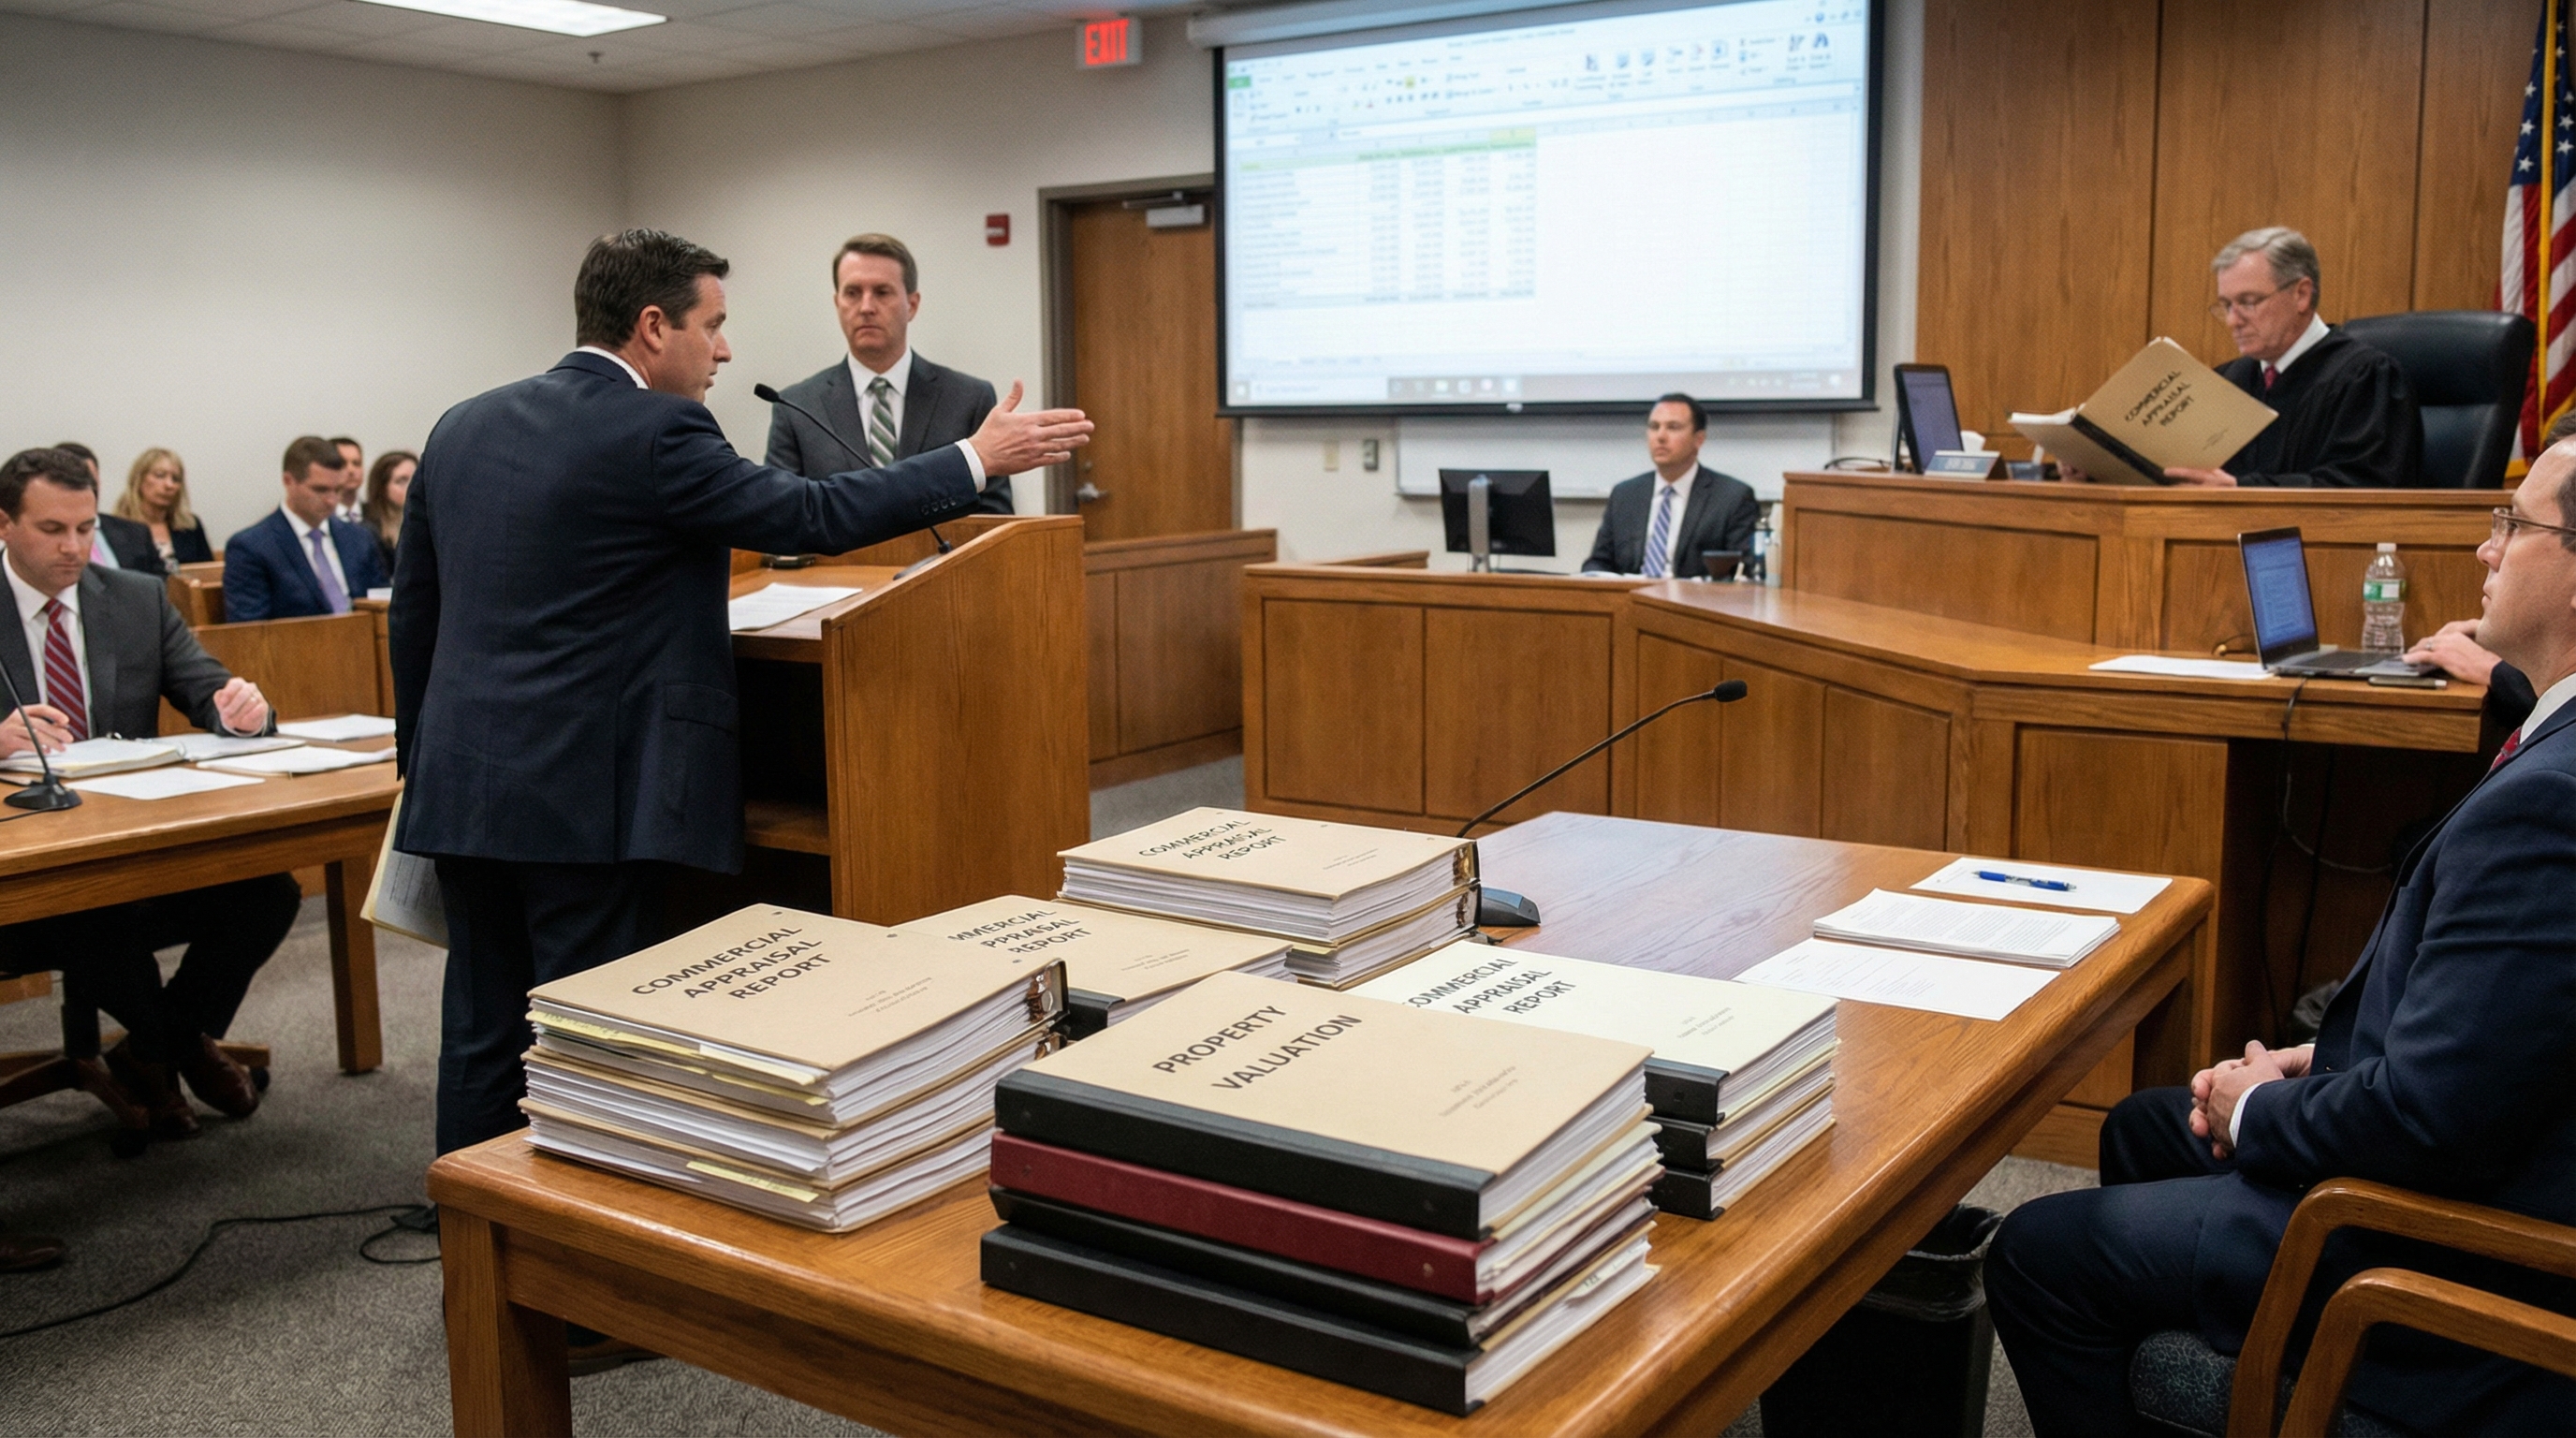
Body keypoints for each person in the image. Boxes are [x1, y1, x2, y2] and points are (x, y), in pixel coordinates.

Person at [391, 228, 1088, 1162]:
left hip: (464, 789)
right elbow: (810, 514)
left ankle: (470, 1256)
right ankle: (584, 1260)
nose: (724, 350)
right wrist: (974, 459)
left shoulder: (460, 425)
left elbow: (415, 620)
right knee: (588, 1031)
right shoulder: (657, 430)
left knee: (481, 1023)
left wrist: (420, 775)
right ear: (651, 327)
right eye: (712, 326)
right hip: (585, 798)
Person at [1985, 437, 2576, 1435]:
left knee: (2036, 1251)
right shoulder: (2553, 742)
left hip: (2452, 1254)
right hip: (2503, 1147)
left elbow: (2433, 1123)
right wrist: (2318, 1063)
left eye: (2513, 525)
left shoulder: (2550, 807)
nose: (2484, 550)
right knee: (2146, 1123)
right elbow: (2505, 1024)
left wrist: (2263, 1110)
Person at [0, 448, 299, 1140]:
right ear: (5, 525)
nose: (74, 547)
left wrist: (239, 710)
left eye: (84, 527)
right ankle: (173, 1052)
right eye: (52, 530)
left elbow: (206, 688)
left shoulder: (133, 596)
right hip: (30, 874)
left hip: (128, 842)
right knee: (97, 916)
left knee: (268, 892)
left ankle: (151, 1050)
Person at [765, 232, 1016, 515]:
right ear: (837, 304)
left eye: (882, 292)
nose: (866, 307)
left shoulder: (968, 399)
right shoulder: (796, 407)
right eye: (852, 293)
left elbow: (994, 517)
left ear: (912, 305)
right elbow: (781, 514)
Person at [2158, 227, 2422, 489]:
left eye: (2248, 302)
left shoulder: (2365, 378)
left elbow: (2361, 490)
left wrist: (2241, 490)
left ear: (2301, 294)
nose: (2232, 321)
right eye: (2227, 305)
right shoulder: (2227, 382)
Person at [1581, 393, 1760, 578]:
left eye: (1673, 427)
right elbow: (1599, 561)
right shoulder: (1625, 494)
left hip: (1690, 602)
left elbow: (1741, 572)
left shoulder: (1732, 497)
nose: (1660, 436)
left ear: (1699, 439)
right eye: (1654, 427)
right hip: (1630, 600)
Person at [222, 436, 389, 619]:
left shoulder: (359, 537)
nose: (332, 500)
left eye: (338, 490)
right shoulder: (252, 548)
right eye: (320, 490)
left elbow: (383, 604)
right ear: (288, 481)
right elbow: (252, 630)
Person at [50, 442, 148, 574]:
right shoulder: (39, 537)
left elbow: (161, 585)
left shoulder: (136, 534)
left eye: (89, 481)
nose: (82, 490)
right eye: (72, 483)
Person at [111, 448, 213, 572]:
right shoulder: (117, 528)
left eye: (175, 479)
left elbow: (208, 573)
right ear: (139, 480)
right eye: (160, 476)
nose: (169, 485)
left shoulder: (190, 526)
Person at [362, 449, 414, 575]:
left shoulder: (425, 524)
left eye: (416, 479)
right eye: (402, 481)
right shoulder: (367, 531)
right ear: (382, 486)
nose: (412, 487)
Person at [331, 436, 366, 524]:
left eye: (356, 463)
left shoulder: (378, 515)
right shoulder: (320, 518)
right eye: (342, 464)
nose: (351, 470)